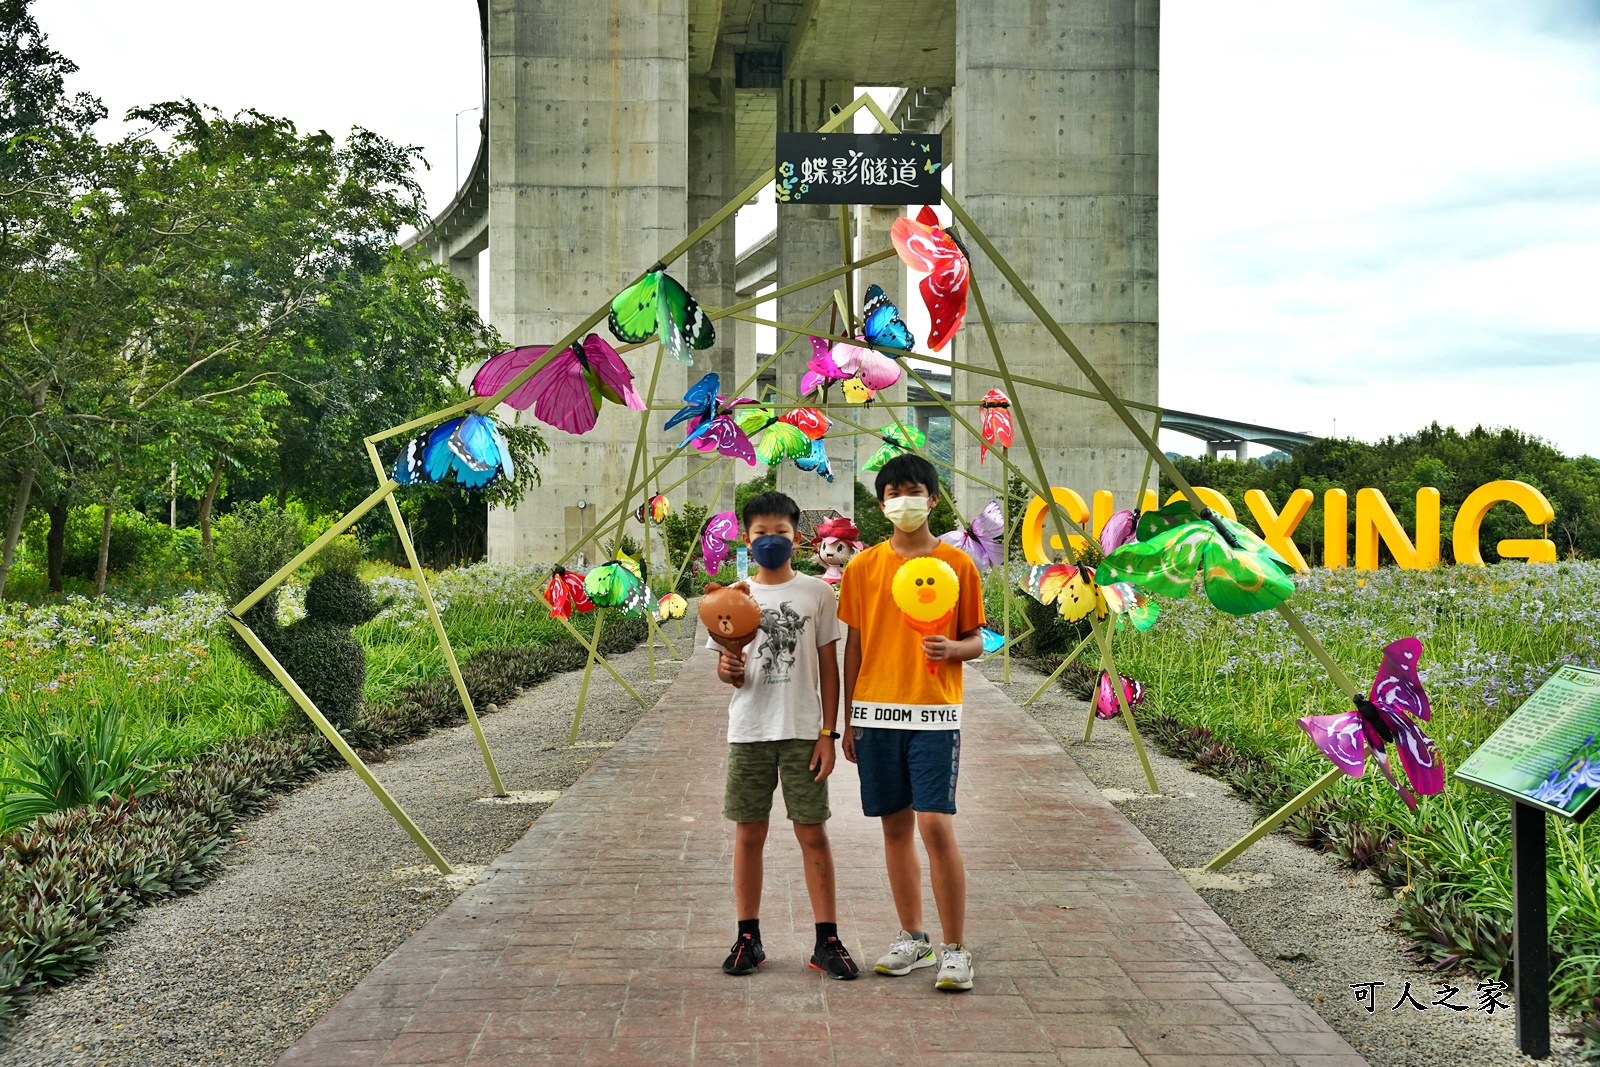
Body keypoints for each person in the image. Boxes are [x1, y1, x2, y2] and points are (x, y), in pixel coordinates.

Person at [838, 454, 985, 991]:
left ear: (933, 499)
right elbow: (854, 645)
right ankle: (913, 938)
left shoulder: (958, 566)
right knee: (895, 828)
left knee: (935, 826)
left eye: (914, 490)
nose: (904, 499)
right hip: (876, 715)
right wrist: (848, 719)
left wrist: (955, 650)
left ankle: (955, 949)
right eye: (894, 491)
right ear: (881, 503)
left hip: (934, 715)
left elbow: (978, 637)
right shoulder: (862, 567)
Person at [711, 490, 858, 980]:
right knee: (749, 833)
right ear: (746, 537)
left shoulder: (818, 593)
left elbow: (829, 668)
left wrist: (828, 734)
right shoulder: (732, 596)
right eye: (760, 533)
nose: (770, 540)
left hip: (801, 731)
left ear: (797, 536)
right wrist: (729, 666)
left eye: (780, 532)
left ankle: (826, 939)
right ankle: (747, 937)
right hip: (750, 729)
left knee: (811, 832)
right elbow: (729, 671)